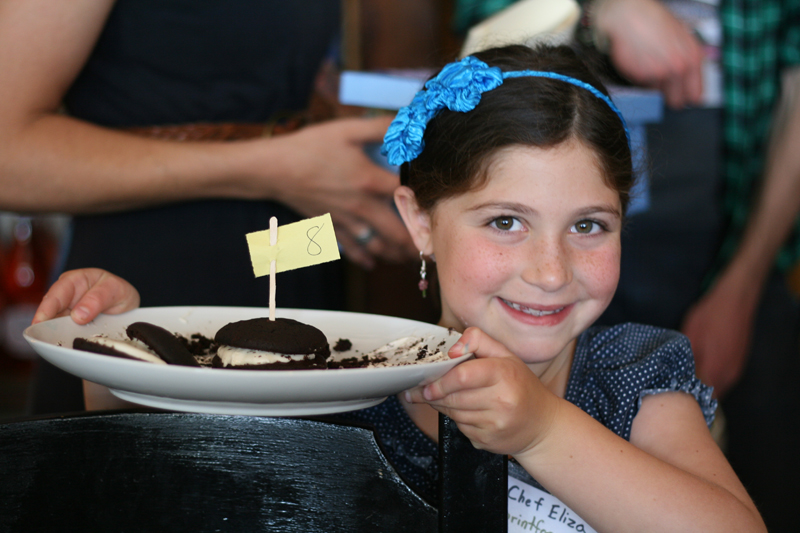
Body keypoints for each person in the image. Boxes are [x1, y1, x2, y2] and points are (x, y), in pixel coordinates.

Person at [33, 44, 766, 532]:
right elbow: (158, 456)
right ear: (418, 220)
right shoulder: (343, 382)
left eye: (589, 226)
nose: (551, 269)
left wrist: (543, 428)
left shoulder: (634, 373)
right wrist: (119, 343)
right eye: (506, 220)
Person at [0, 1, 417, 414]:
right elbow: (8, 157)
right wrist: (269, 166)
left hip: (291, 258)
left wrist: (366, 211)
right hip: (155, 276)